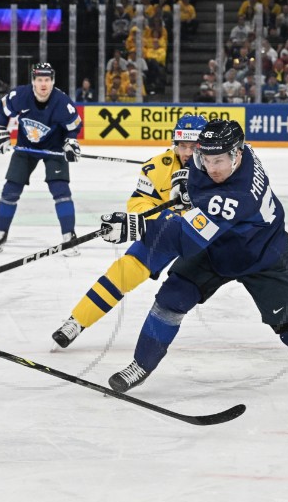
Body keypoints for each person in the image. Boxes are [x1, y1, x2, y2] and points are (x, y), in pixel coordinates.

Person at [98, 119, 288, 393]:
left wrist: (133, 226)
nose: (212, 167)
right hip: (219, 247)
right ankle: (141, 363)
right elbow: (197, 177)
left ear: (237, 155)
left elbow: (185, 239)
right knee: (172, 297)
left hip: (261, 256)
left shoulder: (238, 194)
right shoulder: (217, 154)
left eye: (219, 160)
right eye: (206, 159)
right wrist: (189, 185)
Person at [51, 114, 207, 349]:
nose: (186, 153)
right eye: (182, 146)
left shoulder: (218, 167)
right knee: (121, 273)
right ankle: (77, 321)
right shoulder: (156, 167)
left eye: (193, 147)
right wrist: (160, 217)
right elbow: (138, 203)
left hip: (205, 240)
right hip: (166, 234)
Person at [0, 62, 84, 254]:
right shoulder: (21, 96)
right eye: (39, 80)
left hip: (54, 148)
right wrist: (0, 130)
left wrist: (70, 143)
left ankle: (68, 237)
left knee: (61, 190)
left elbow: (74, 128)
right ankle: (0, 233)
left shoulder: (63, 103)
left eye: (47, 80)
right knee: (10, 190)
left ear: (52, 81)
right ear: (33, 81)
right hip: (26, 147)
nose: (43, 84)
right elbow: (3, 109)